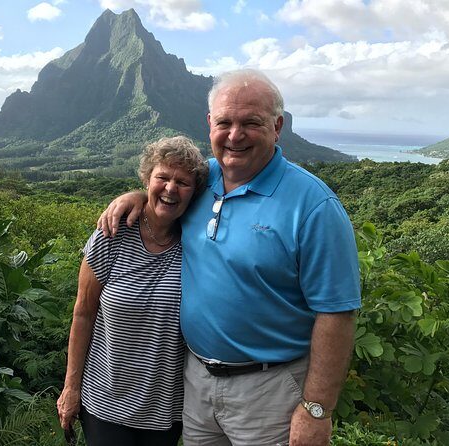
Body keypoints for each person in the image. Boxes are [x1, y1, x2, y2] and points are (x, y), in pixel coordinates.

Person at [98, 69, 361, 446]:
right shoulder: (200, 179)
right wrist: (137, 198)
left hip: (270, 391)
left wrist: (316, 409)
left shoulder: (314, 206)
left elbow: (337, 312)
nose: (235, 136)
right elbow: (166, 191)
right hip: (196, 382)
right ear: (210, 124)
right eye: (225, 123)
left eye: (251, 123)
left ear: (277, 126)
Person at [57, 136, 209, 446]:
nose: (170, 188)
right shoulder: (111, 235)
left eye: (182, 182)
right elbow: (83, 313)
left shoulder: (198, 242)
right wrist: (71, 387)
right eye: (162, 177)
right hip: (104, 401)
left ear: (194, 192)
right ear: (146, 180)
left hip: (165, 409)